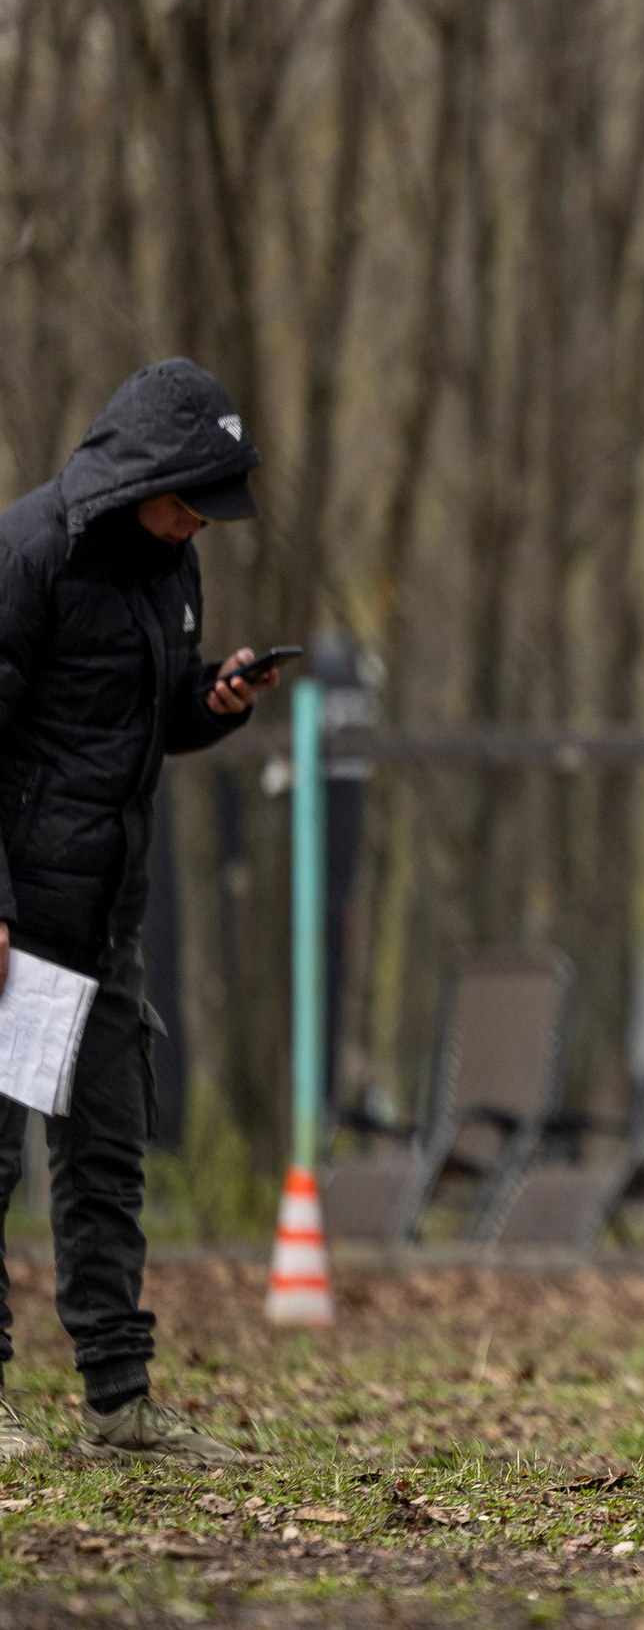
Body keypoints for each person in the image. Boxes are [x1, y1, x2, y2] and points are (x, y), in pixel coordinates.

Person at [0, 359, 281, 1464]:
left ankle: (119, 1404)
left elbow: (138, 723)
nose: (196, 525)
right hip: (23, 918)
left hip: (108, 917)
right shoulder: (29, 554)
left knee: (109, 1163)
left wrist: (209, 701)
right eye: (187, 502)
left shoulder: (173, 571)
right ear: (142, 474)